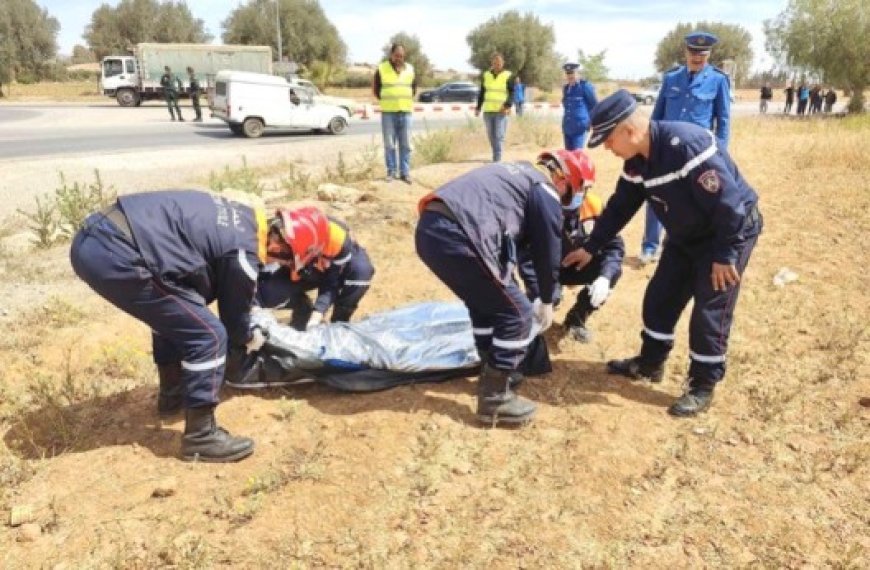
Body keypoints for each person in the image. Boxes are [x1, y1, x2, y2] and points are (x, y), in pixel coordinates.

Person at [565, 90, 763, 417]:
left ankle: (702, 384)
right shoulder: (636, 162)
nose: (608, 149)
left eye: (609, 141)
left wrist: (726, 255)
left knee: (710, 307)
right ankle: (650, 363)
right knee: (661, 296)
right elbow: (620, 207)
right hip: (686, 235)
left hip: (727, 234)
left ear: (629, 131)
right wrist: (591, 246)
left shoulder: (686, 147)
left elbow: (730, 206)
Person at [69, 190, 288, 462]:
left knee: (179, 316)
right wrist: (249, 337)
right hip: (118, 251)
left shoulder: (240, 221)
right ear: (281, 246)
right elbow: (233, 324)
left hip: (96, 240)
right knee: (209, 336)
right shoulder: (245, 251)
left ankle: (172, 396)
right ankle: (201, 436)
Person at [415, 150, 591, 425]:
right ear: (564, 181)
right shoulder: (543, 190)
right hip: (459, 232)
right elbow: (547, 251)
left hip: (430, 231)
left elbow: (519, 249)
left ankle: (491, 369)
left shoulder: (516, 174)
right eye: (575, 192)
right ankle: (495, 399)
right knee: (517, 313)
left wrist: (530, 289)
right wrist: (546, 298)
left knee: (486, 304)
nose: (571, 200)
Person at [640, 31, 731, 266]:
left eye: (702, 53)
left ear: (709, 54)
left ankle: (679, 245)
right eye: (693, 52)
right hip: (666, 149)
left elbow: (723, 120)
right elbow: (657, 114)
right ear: (686, 52)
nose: (697, 57)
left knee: (692, 201)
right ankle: (650, 246)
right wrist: (650, 145)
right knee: (657, 196)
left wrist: (720, 152)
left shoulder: (718, 80)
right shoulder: (671, 78)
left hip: (697, 154)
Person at [518, 150, 624, 343]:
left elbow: (614, 246)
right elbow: (526, 257)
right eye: (577, 187)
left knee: (611, 271)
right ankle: (531, 316)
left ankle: (576, 319)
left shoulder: (592, 204)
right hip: (545, 270)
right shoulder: (537, 207)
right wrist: (546, 294)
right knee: (547, 300)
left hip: (576, 266)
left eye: (584, 188)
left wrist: (605, 277)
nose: (580, 194)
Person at [254, 206, 375, 331]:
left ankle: (339, 325)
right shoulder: (271, 231)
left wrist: (317, 314)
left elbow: (331, 281)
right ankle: (301, 307)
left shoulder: (337, 240)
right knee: (268, 293)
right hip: (305, 265)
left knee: (360, 273)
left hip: (326, 265)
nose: (273, 246)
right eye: (273, 239)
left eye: (282, 248)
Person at [373, 43, 416, 184]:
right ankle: (391, 172)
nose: (399, 58)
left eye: (402, 56)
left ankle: (405, 173)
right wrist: (387, 100)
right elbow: (376, 90)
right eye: (397, 55)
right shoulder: (381, 69)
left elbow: (413, 88)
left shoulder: (410, 69)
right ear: (391, 55)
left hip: (406, 111)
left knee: (406, 144)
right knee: (389, 144)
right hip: (388, 113)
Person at [475, 53, 515, 162]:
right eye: (495, 62)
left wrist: (507, 105)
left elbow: (512, 93)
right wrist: (478, 107)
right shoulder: (486, 75)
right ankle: (496, 154)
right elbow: (482, 92)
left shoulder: (508, 75)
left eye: (499, 62)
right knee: (491, 135)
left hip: (501, 111)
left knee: (499, 135)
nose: (497, 64)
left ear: (503, 63)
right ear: (492, 63)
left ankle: (497, 160)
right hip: (488, 111)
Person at [560, 62, 598, 150]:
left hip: (579, 128)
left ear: (578, 73)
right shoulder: (566, 88)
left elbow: (594, 105)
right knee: (568, 157)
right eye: (568, 73)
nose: (570, 76)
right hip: (567, 128)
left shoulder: (585, 86)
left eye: (572, 73)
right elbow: (566, 105)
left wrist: (591, 122)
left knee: (577, 155)